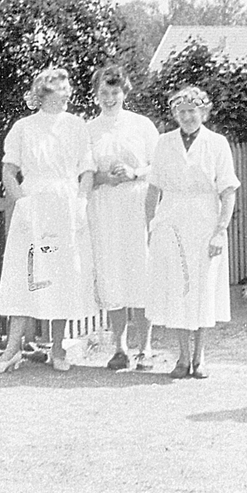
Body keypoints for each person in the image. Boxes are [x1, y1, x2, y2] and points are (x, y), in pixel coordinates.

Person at [0, 67, 98, 373]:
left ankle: (58, 349)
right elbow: (9, 172)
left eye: (68, 88)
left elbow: (87, 170)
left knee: (62, 274)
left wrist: (81, 202)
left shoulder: (77, 125)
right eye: (60, 88)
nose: (67, 93)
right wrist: (23, 203)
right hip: (33, 204)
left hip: (65, 204)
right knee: (26, 274)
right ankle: (11, 351)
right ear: (44, 92)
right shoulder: (24, 127)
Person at [145, 86, 240, 379]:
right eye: (181, 112)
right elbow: (152, 189)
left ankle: (200, 357)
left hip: (204, 223)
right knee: (176, 288)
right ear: (175, 114)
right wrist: (151, 227)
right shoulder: (164, 143)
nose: (187, 117)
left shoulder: (217, 143)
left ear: (204, 112)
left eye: (192, 111)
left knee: (201, 289)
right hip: (170, 223)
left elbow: (228, 191)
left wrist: (219, 231)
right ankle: (182, 357)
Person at [86, 64, 160, 371]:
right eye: (103, 92)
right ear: (95, 94)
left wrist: (134, 173)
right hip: (104, 209)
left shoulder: (141, 125)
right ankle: (119, 348)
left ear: (124, 91)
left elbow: (159, 166)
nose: (110, 98)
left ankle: (144, 348)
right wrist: (105, 177)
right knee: (112, 275)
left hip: (135, 206)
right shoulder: (89, 129)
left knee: (140, 275)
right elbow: (84, 173)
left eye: (115, 92)